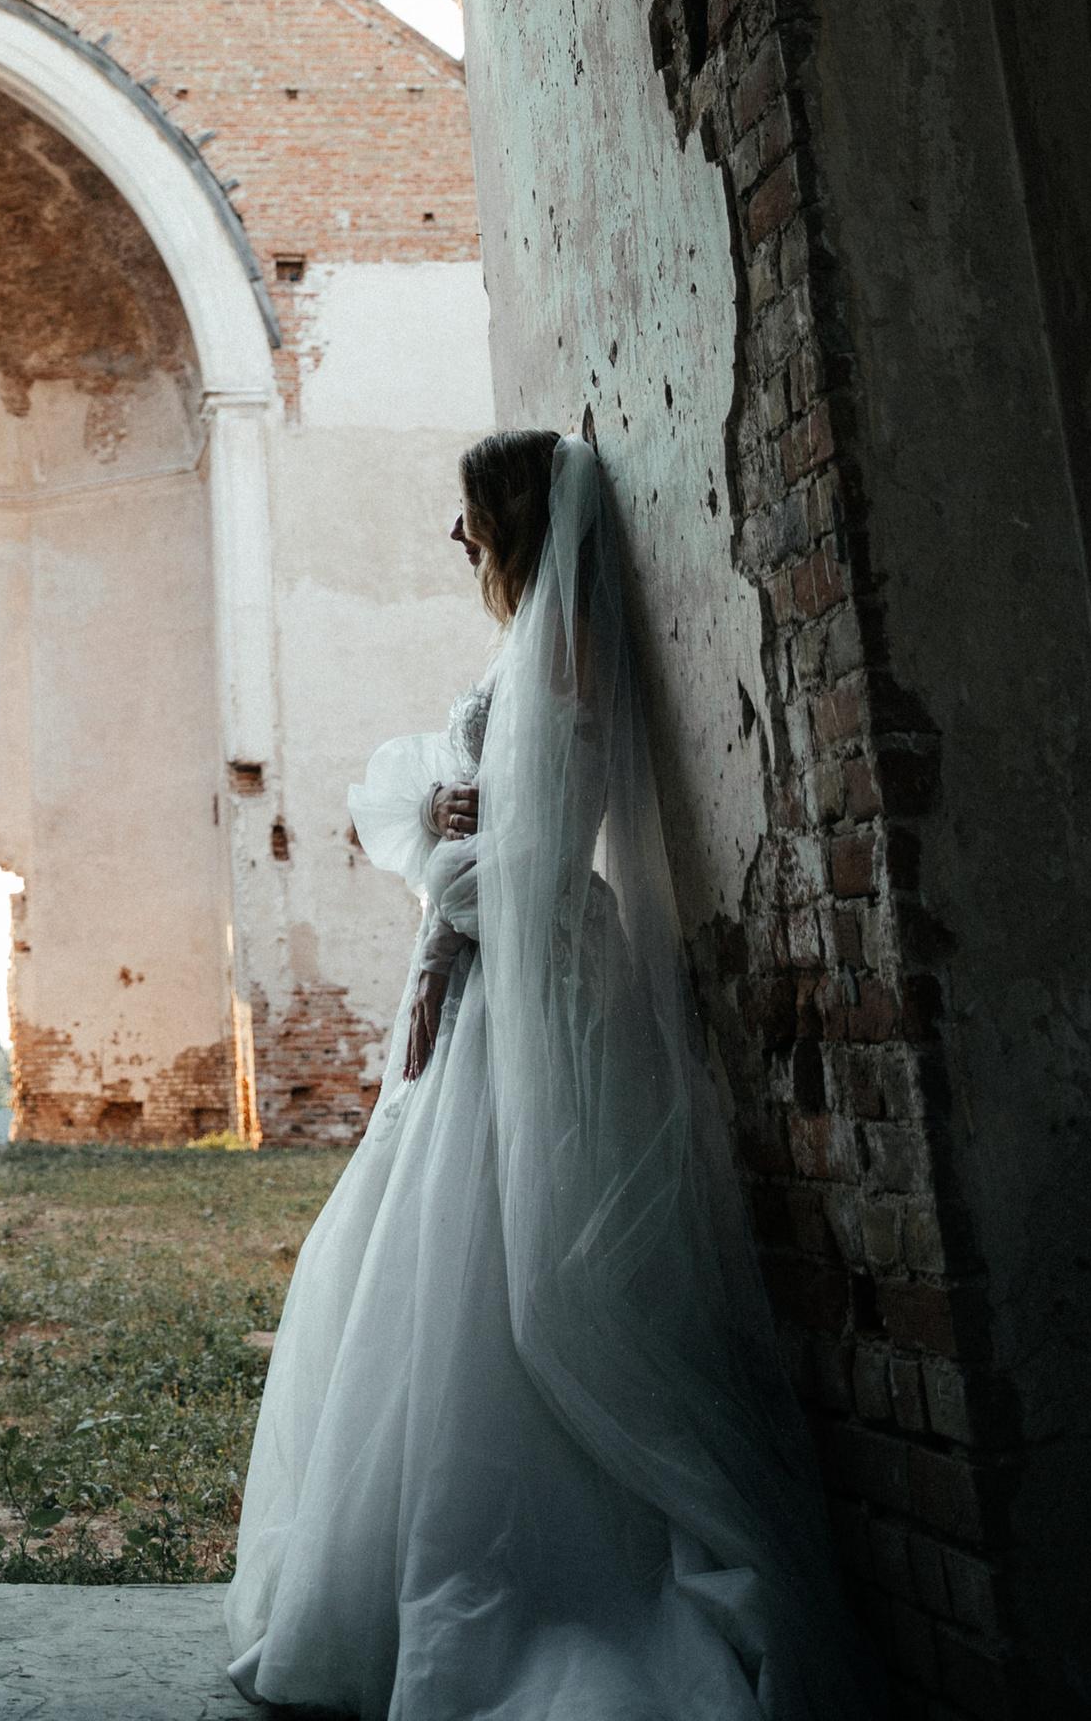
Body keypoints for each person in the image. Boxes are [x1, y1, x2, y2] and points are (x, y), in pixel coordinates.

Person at [227, 430, 875, 1720]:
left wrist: (444, 880)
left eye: (469, 515)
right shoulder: (528, 647)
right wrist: (448, 848)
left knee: (502, 1240)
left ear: (514, 519)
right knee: (437, 1243)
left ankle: (537, 1588)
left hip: (522, 964)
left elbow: (536, 840)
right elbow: (507, 821)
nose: (454, 539)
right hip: (497, 958)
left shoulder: (561, 651)